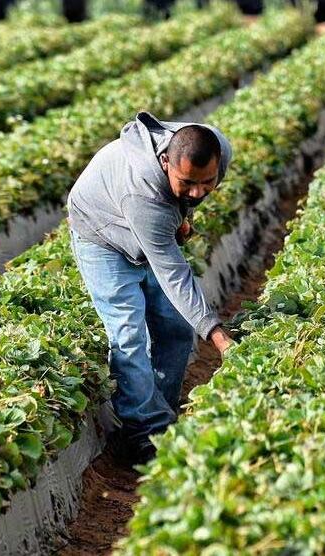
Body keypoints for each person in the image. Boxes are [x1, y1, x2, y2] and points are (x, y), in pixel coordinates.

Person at [67, 111, 234, 464]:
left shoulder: (218, 150)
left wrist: (185, 213)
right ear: (164, 163)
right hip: (101, 234)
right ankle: (145, 434)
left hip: (146, 222)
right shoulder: (143, 194)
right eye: (187, 182)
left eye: (207, 182)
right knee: (129, 333)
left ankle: (162, 414)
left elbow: (189, 195)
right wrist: (218, 336)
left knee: (175, 325)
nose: (198, 190)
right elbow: (175, 274)